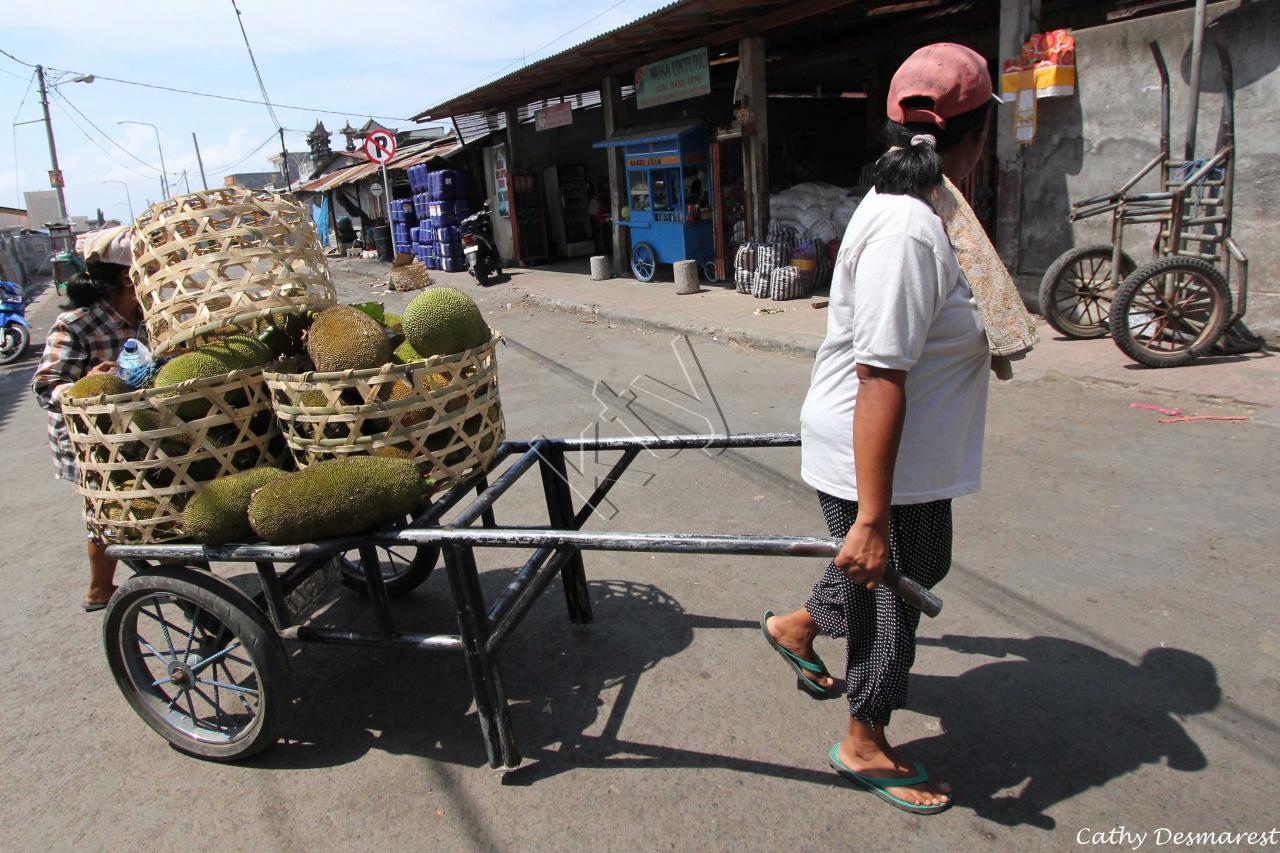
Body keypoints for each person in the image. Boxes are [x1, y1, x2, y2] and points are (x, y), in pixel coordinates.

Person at [761, 43, 1000, 815]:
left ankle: (798, 625)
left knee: (903, 568)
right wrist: (870, 517)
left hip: (900, 457)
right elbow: (881, 376)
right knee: (896, 592)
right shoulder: (906, 229)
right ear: (979, 136)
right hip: (877, 460)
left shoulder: (926, 210)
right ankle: (864, 738)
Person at [32, 226, 143, 612]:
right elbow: (46, 385)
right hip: (86, 436)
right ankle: (99, 589)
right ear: (129, 277)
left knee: (152, 500)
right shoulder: (76, 324)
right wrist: (86, 385)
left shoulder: (149, 316)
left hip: (135, 425)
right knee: (106, 510)